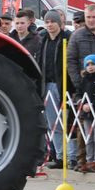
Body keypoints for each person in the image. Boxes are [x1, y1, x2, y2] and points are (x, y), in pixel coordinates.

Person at [37, 10, 75, 169]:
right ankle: (59, 155)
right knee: (53, 123)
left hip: (64, 85)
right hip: (49, 85)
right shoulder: (43, 40)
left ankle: (72, 156)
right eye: (47, 22)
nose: (50, 25)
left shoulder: (68, 39)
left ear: (60, 23)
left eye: (52, 21)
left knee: (68, 121)